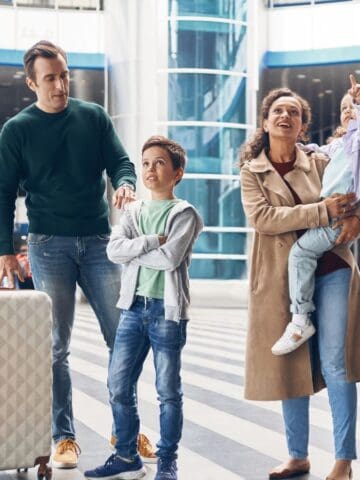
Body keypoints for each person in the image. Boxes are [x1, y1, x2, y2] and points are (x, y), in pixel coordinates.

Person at [0, 40, 155, 468]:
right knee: (54, 347)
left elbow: (121, 162)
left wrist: (125, 183)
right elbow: (2, 193)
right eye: (50, 78)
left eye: (64, 75)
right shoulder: (17, 131)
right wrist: (4, 252)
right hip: (48, 245)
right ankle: (64, 437)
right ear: (32, 83)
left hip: (101, 244)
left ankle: (126, 431)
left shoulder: (93, 117)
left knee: (121, 339)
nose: (60, 84)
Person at [240, 87, 360, 480]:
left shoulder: (321, 161)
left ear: (302, 125)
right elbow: (265, 220)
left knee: (335, 361)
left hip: (333, 268)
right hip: (279, 276)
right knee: (290, 362)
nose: (285, 116)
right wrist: (321, 211)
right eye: (278, 111)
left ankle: (343, 460)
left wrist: (354, 218)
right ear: (265, 122)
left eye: (293, 111)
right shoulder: (251, 172)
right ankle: (298, 455)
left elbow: (351, 190)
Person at [84, 136, 203, 480]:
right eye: (146, 163)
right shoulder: (133, 211)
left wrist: (134, 249)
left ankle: (167, 461)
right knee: (118, 386)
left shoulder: (185, 214)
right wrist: (151, 241)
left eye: (160, 163)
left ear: (177, 172)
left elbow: (170, 259)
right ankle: (126, 456)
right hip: (132, 309)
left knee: (168, 392)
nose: (151, 170)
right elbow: (113, 251)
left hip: (167, 313)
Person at [272, 75, 360, 355]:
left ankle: (299, 319)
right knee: (303, 254)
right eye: (345, 107)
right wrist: (303, 147)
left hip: (341, 214)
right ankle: (301, 317)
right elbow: (321, 150)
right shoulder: (341, 145)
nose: (349, 110)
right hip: (331, 213)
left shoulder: (357, 143)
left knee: (299, 253)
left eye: (355, 106)